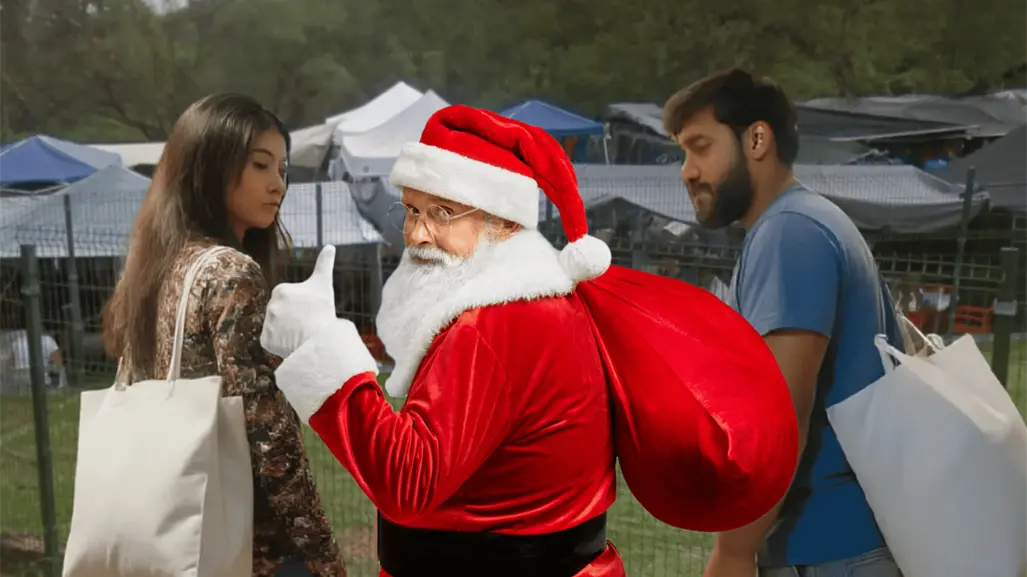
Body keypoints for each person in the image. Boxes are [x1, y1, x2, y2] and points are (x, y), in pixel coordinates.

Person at [259, 105, 799, 577]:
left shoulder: (491, 326)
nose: (417, 234)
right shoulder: (539, 306)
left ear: (504, 223)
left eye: (443, 213)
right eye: (412, 210)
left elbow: (409, 479)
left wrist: (321, 347)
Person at [662, 68, 905, 577]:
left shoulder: (789, 233)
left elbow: (781, 407)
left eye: (701, 146)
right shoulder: (810, 220)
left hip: (829, 549)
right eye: (683, 152)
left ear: (757, 139)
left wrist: (733, 551)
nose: (687, 170)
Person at [101, 94, 346, 577]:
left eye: (283, 168)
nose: (278, 184)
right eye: (261, 165)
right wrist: (323, 557)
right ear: (211, 164)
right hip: (244, 545)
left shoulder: (154, 266)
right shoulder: (230, 272)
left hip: (167, 532)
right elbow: (268, 433)